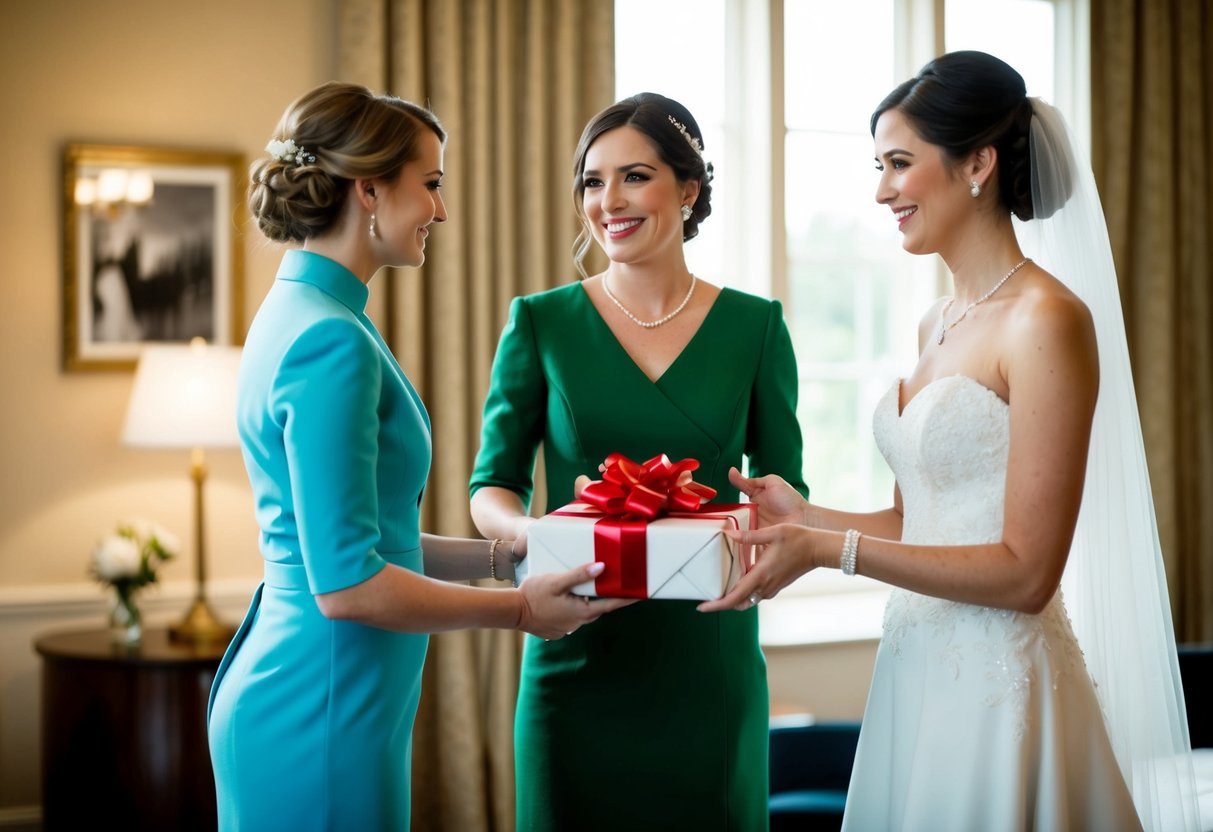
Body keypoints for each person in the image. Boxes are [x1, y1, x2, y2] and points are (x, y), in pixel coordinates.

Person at [702, 51, 1201, 831]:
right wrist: (808, 517)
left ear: (977, 162)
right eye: (877, 166)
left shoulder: (1047, 320)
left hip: (1002, 686)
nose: (880, 190)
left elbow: (1026, 573)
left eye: (898, 164)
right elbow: (918, 524)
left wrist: (825, 553)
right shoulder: (933, 322)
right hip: (916, 667)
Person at [206, 81, 630, 831]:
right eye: (430, 184)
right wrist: (519, 612)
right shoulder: (330, 338)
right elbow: (348, 586)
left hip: (326, 690)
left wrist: (504, 557)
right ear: (368, 189)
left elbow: (369, 540)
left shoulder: (302, 311)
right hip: (322, 703)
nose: (441, 209)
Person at [468, 92, 808, 831]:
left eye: (633, 176)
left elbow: (788, 493)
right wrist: (529, 533)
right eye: (592, 181)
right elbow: (490, 484)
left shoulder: (756, 326)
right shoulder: (540, 323)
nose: (607, 201)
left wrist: (765, 537)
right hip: (575, 653)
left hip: (706, 663)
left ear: (687, 191)